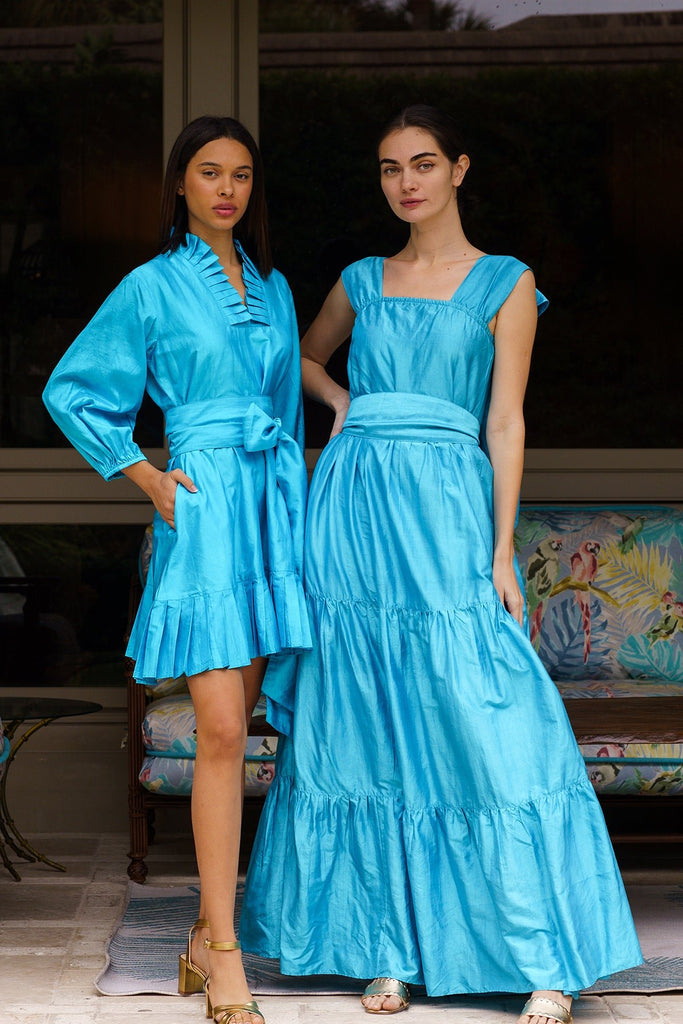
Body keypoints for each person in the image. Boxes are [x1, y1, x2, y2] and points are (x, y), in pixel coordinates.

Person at [239, 105, 642, 1024]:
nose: (405, 182)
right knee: (363, 719)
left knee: (486, 713)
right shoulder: (362, 278)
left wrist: (500, 550)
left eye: (421, 164)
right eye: (389, 168)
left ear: (458, 169)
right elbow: (299, 357)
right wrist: (345, 402)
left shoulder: (506, 281)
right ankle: (382, 950)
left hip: (449, 509)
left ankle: (541, 956)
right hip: (353, 510)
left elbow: (505, 420)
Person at [43, 115, 311, 1024]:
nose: (226, 189)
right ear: (181, 185)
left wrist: (295, 521)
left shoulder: (274, 290)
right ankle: (225, 953)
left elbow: (287, 414)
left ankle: (205, 932)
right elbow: (73, 389)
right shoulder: (149, 286)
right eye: (208, 173)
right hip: (201, 512)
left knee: (243, 734)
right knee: (222, 730)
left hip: (268, 508)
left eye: (240, 175)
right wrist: (146, 475)